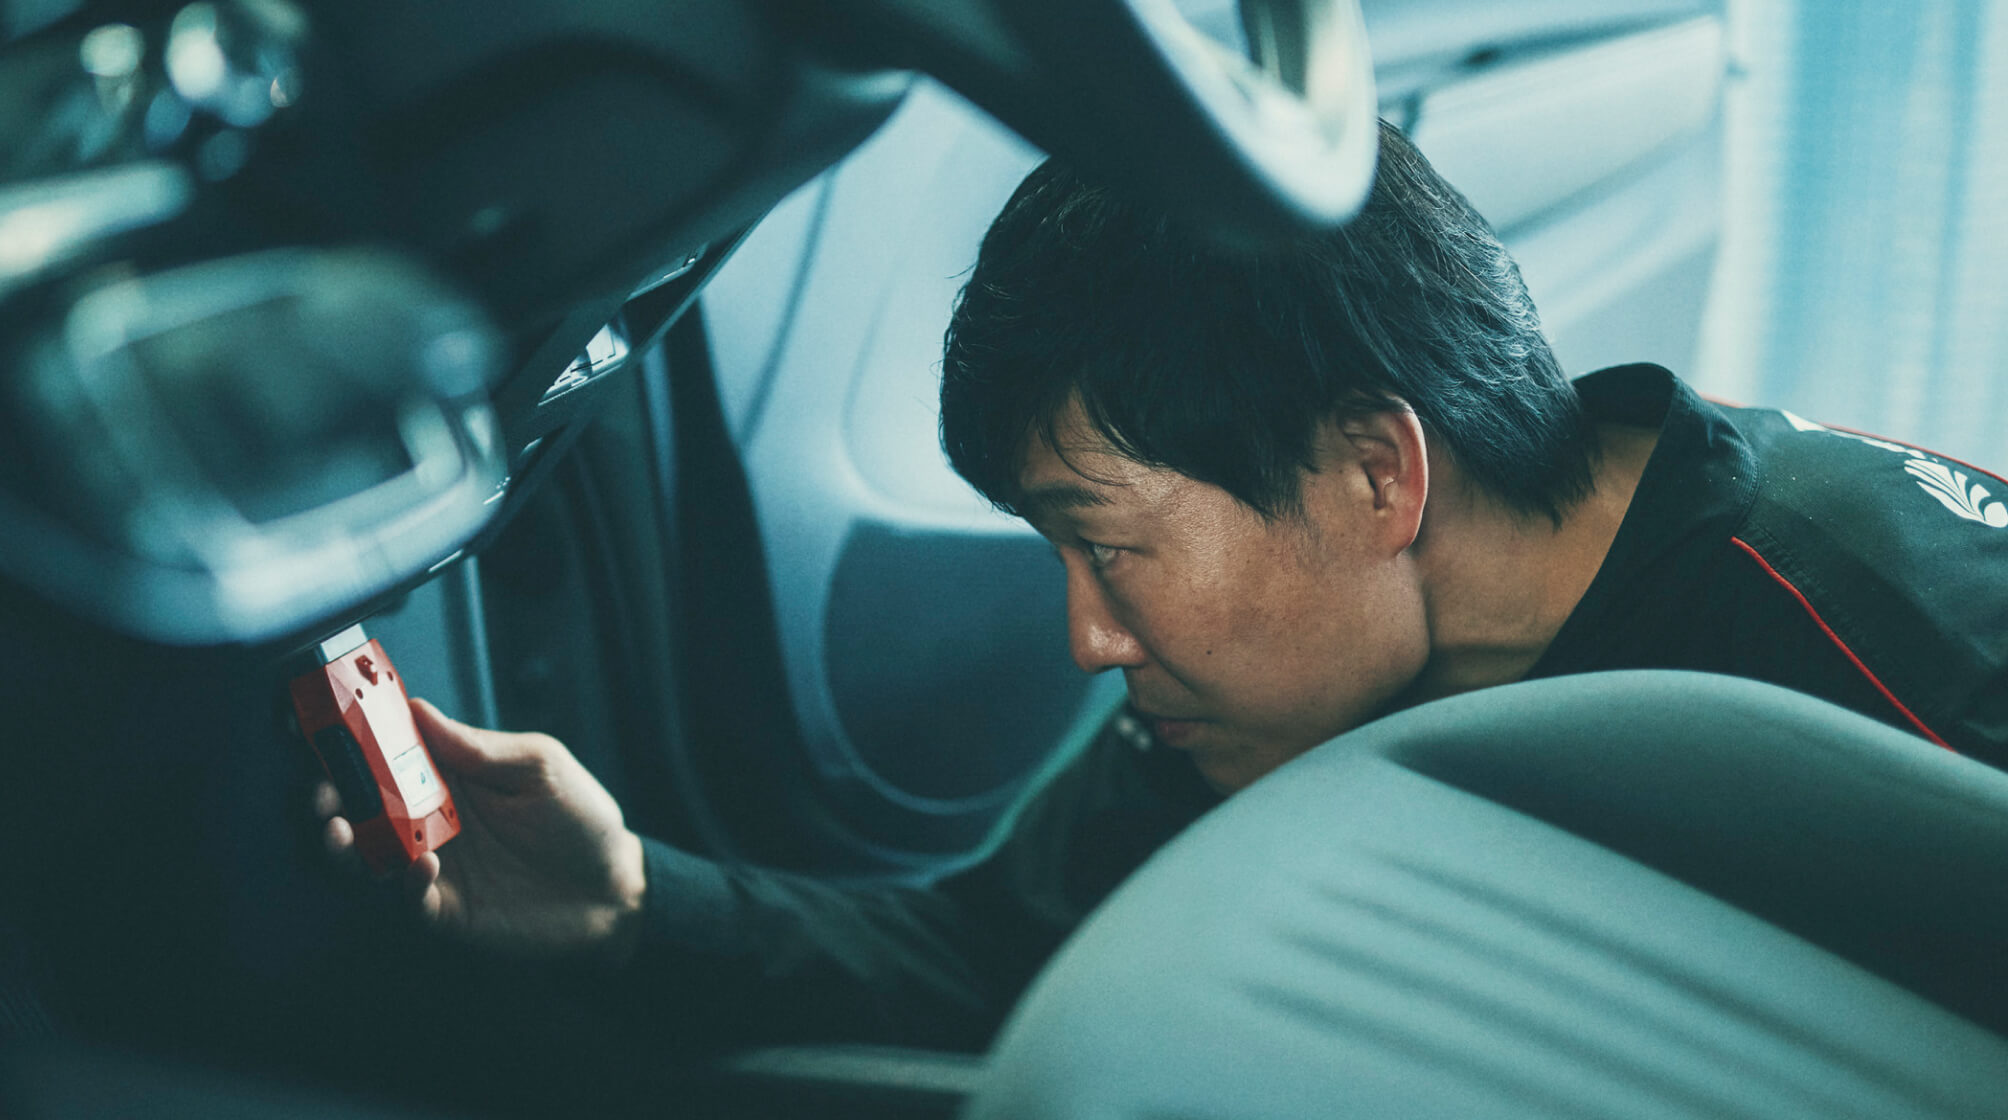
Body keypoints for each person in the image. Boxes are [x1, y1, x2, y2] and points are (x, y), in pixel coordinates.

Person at [323, 119, 2008, 1051]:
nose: (1086, 634)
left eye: (1110, 545)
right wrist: (635, 902)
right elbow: (996, 951)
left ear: (1375, 474)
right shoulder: (1290, 680)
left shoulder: (1895, 647)